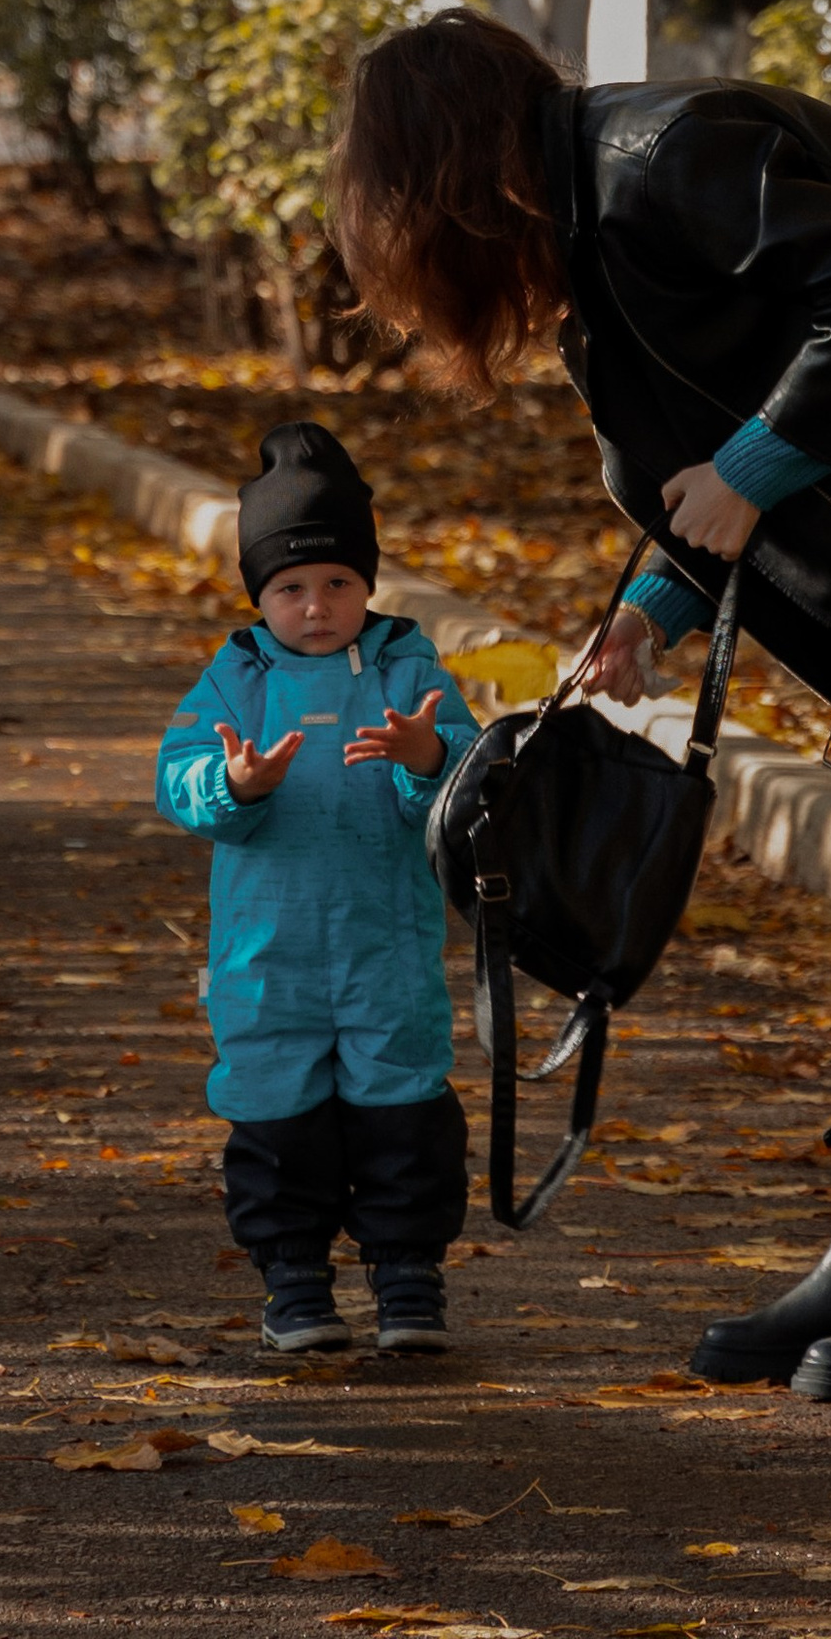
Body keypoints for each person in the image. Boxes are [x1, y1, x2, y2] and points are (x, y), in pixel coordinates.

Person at [328, 10, 831, 1408]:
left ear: (449, 176)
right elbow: (695, 477)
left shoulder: (663, 160)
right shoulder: (597, 263)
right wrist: (649, 618)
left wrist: (756, 469)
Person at [156, 423, 482, 1356]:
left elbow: (467, 777)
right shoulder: (236, 675)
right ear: (261, 595)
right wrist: (236, 785)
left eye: (338, 582)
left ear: (367, 585)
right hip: (268, 954)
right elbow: (177, 776)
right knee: (275, 1108)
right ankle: (294, 1277)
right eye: (290, 588)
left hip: (385, 942)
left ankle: (409, 1276)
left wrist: (428, 757)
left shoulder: (407, 666)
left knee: (404, 1106)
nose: (315, 605)